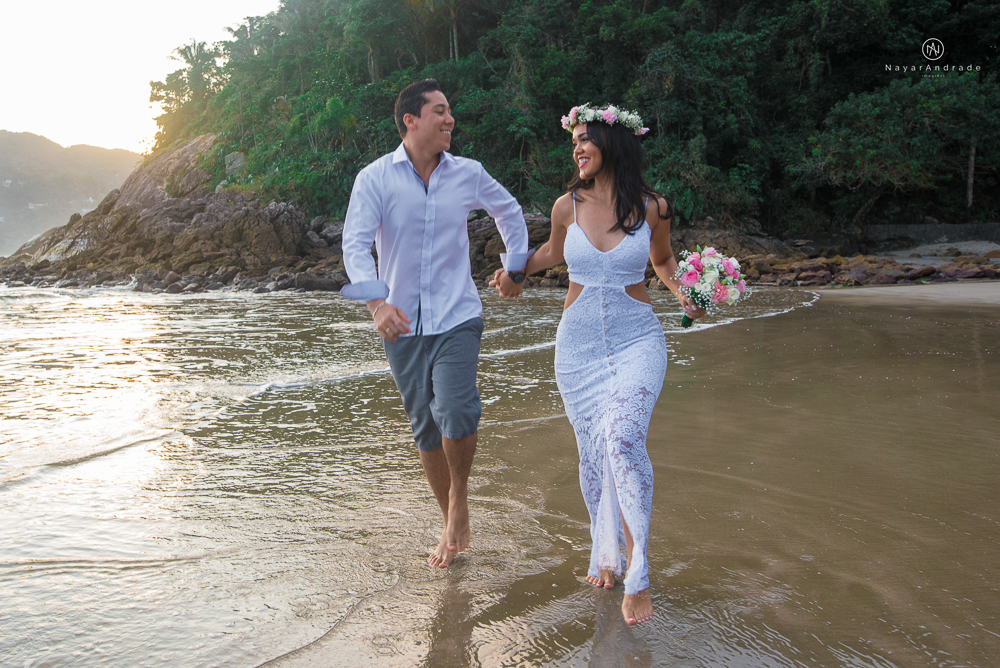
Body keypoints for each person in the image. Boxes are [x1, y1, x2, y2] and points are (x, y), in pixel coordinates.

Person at [491, 103, 705, 625]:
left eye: (585, 139)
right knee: (593, 452)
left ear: (613, 143)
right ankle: (607, 553)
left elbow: (663, 261)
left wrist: (685, 293)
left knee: (623, 439)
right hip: (578, 351)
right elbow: (551, 252)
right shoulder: (567, 205)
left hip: (638, 340)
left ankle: (640, 573)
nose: (578, 150)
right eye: (574, 143)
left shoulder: (655, 207)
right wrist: (512, 271)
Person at [340, 79, 530, 568]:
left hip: (457, 313)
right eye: (440, 111)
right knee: (426, 426)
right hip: (400, 323)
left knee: (457, 409)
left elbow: (508, 210)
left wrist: (514, 266)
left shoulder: (468, 173)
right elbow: (355, 247)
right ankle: (448, 519)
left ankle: (459, 502)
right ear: (411, 120)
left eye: (450, 111)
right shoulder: (375, 179)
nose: (450, 119)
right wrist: (376, 305)